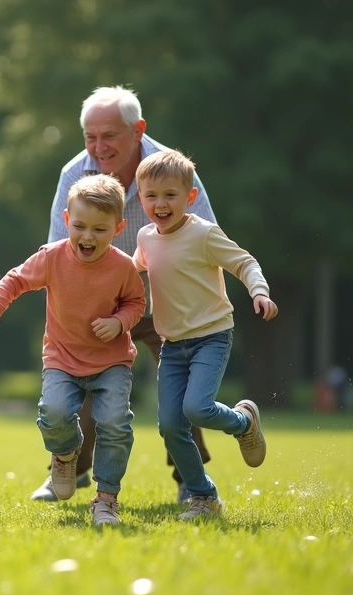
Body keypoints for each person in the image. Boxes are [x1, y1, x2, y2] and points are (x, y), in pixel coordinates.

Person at [32, 85, 219, 504]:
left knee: (183, 394)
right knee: (78, 382)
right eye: (90, 137)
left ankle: (190, 482)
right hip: (94, 304)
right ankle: (70, 471)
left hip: (166, 304)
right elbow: (57, 248)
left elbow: (207, 235)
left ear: (138, 130)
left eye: (109, 136)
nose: (98, 148)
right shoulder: (73, 174)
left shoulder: (172, 171)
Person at [0, 174, 145, 527]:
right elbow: (16, 279)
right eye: (80, 226)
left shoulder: (122, 266)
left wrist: (119, 323)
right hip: (62, 359)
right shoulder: (52, 257)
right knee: (53, 413)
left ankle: (106, 499)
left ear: (118, 228)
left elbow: (136, 302)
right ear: (67, 220)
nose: (88, 236)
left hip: (111, 361)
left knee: (115, 423)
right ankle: (65, 454)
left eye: (100, 230)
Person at [131, 150, 278, 520]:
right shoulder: (146, 237)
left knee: (196, 409)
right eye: (151, 196)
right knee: (169, 425)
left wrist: (258, 291)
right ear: (140, 198)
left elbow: (244, 262)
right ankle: (204, 497)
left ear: (189, 197)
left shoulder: (203, 234)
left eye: (170, 195)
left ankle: (244, 422)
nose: (160, 204)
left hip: (211, 336)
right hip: (171, 344)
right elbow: (131, 271)